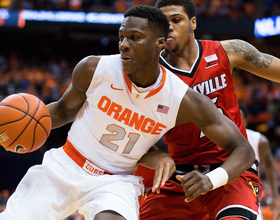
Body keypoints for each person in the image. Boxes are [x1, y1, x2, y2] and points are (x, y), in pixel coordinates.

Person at [0, 5, 255, 220]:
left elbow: (243, 149)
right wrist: (16, 123)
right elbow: (65, 109)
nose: (124, 45)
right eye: (122, 36)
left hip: (114, 182)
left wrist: (212, 179)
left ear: (160, 43)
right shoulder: (93, 68)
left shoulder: (182, 99)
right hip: (66, 164)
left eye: (134, 38)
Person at [138, 0, 280, 219]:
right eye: (163, 23)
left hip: (233, 170)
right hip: (182, 177)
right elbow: (131, 142)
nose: (169, 28)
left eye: (176, 20)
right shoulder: (149, 76)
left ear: (193, 22)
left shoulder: (228, 51)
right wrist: (158, 159)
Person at [239, 103, 280, 220]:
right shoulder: (217, 139)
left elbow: (269, 165)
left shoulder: (258, 140)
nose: (235, 122)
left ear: (245, 121)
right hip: (223, 197)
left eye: (239, 119)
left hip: (251, 199)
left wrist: (274, 197)